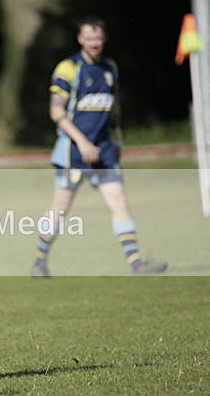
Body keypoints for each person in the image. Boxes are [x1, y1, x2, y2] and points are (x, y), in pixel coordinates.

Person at [30, 16, 167, 277]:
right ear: (80, 39)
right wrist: (82, 143)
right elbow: (56, 112)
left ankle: (137, 263)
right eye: (89, 38)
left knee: (119, 201)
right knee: (60, 207)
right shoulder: (68, 69)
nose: (95, 43)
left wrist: (116, 141)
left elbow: (113, 109)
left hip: (103, 150)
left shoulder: (110, 68)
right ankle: (40, 260)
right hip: (72, 152)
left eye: (99, 38)